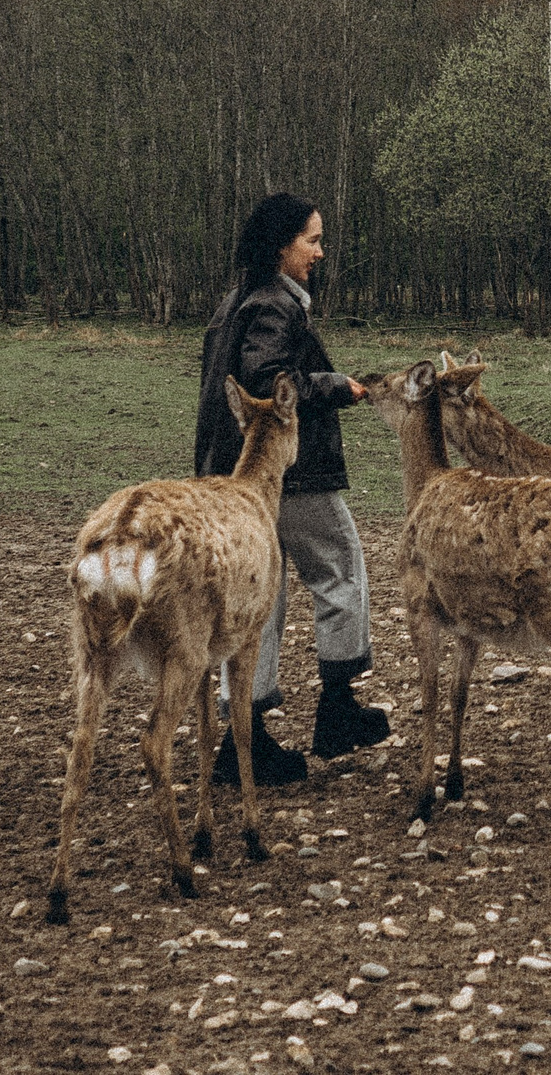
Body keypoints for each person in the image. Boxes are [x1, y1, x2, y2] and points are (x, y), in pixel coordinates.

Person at [196, 192, 390, 784]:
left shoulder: (236, 301)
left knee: (262, 596)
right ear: (282, 245)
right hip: (283, 471)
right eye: (312, 239)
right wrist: (335, 385)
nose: (320, 251)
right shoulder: (274, 306)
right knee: (340, 565)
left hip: (231, 476)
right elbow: (265, 384)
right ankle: (336, 710)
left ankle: (241, 747)